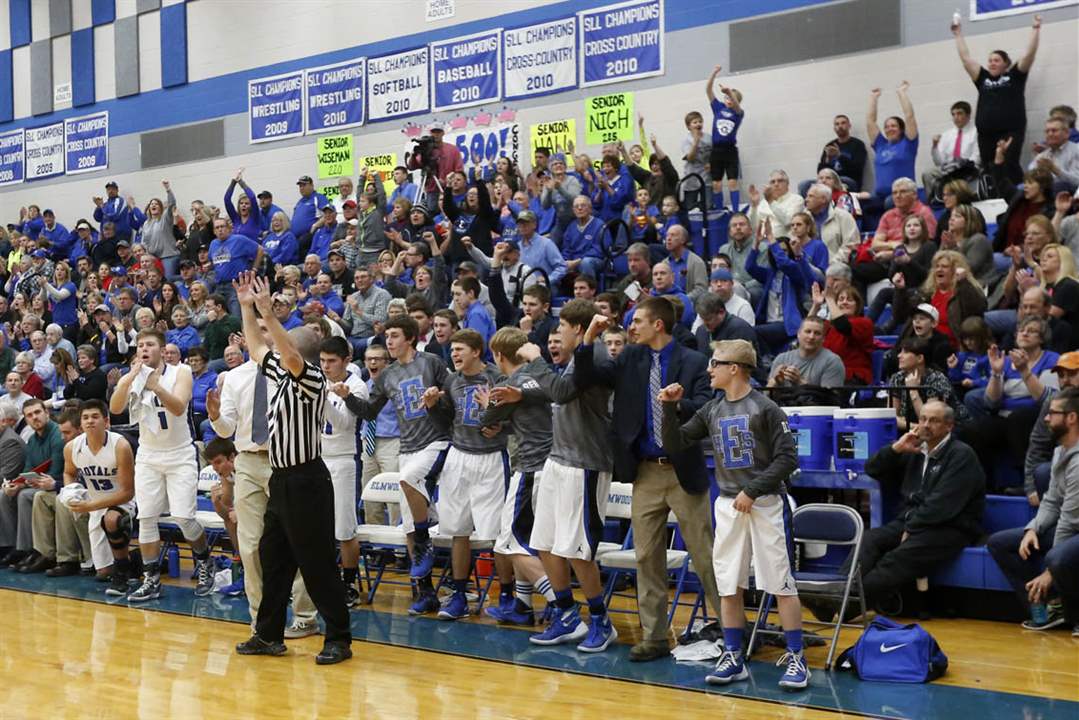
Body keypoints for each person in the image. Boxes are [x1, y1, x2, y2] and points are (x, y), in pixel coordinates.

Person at [572, 298, 723, 661]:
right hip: (644, 471)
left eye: (637, 321)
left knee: (704, 555)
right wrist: (586, 343)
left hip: (683, 467)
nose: (630, 327)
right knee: (646, 557)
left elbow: (706, 404)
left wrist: (676, 403)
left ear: (658, 324)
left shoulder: (694, 361)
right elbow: (586, 378)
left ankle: (731, 630)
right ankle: (655, 636)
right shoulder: (628, 359)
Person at [659, 339, 807, 689]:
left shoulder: (766, 408)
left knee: (781, 584)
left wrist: (752, 490)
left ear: (734, 368)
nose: (709, 369)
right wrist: (668, 407)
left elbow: (788, 459)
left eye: (716, 363)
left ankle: (797, 657)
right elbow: (675, 444)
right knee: (728, 585)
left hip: (766, 503)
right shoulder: (712, 409)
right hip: (727, 504)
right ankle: (734, 654)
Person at [231, 272, 352, 665]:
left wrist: (268, 310)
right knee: (273, 559)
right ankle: (267, 635)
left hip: (307, 480)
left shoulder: (311, 377)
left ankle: (339, 638)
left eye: (277, 340)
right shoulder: (278, 373)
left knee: (316, 564)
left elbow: (290, 355)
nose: (269, 342)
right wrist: (247, 307)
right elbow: (253, 347)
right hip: (280, 479)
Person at [492, 300, 615, 652]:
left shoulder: (597, 357)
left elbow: (562, 390)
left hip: (585, 462)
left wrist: (535, 358)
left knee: (577, 551)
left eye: (561, 327)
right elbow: (555, 390)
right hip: (558, 460)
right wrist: (522, 391)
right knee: (544, 543)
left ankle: (601, 622)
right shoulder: (576, 359)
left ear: (578, 329)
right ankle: (566, 615)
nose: (556, 334)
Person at [832, 400, 984, 616]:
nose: (925, 425)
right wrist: (895, 449)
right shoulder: (913, 449)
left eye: (933, 420)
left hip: (951, 527)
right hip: (914, 520)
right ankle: (835, 594)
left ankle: (844, 606)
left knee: (895, 559)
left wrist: (911, 528)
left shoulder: (961, 455)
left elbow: (942, 504)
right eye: (922, 419)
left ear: (949, 426)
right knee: (870, 539)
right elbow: (872, 469)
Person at [348, 316, 450, 614]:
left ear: (409, 338)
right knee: (406, 523)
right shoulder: (387, 375)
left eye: (394, 336)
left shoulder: (431, 363)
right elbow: (369, 411)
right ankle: (425, 591)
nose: (389, 341)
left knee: (408, 478)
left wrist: (437, 400)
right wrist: (347, 398)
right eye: (387, 336)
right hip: (407, 447)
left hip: (436, 441)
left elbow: (452, 397)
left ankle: (424, 533)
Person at [109, 328, 213, 601]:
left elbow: (178, 407)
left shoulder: (181, 372)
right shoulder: (133, 376)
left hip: (179, 454)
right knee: (146, 518)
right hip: (148, 455)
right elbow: (116, 408)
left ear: (162, 349)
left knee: (184, 518)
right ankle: (151, 580)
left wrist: (155, 384)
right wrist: (130, 377)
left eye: (150, 344)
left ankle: (204, 561)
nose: (144, 348)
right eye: (141, 344)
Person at [425, 329, 510, 620]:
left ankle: (509, 595)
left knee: (497, 535)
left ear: (476, 351)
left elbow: (517, 419)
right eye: (452, 350)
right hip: (459, 456)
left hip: (491, 459)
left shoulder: (497, 378)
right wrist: (433, 407)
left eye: (460, 349)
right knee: (457, 530)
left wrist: (502, 426)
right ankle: (459, 594)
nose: (454, 355)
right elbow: (444, 421)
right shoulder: (452, 381)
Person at [479, 327, 561, 625]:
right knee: (530, 541)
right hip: (547, 465)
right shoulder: (539, 377)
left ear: (499, 355)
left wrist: (489, 403)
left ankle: (560, 603)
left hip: (531, 467)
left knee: (508, 543)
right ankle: (523, 604)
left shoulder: (513, 381)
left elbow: (486, 421)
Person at [988, 386, 1079, 633]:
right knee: (1000, 543)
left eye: (1053, 413)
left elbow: (1070, 520)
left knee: (1057, 557)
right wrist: (1032, 529)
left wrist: (1050, 573)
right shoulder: (1062, 450)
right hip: (1071, 527)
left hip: (1075, 527)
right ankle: (1049, 608)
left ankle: (1074, 611)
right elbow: (1050, 501)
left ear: (1071, 418)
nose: (1046, 418)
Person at [953, 13, 1042, 184]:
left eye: (996, 60)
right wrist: (958, 34)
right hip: (986, 134)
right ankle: (994, 202)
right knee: (990, 167)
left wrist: (1035, 29)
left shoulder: (1015, 76)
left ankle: (1016, 197)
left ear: (1006, 64)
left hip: (1010, 132)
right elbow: (965, 58)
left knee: (1008, 164)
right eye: (990, 61)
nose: (992, 63)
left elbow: (1029, 55)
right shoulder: (983, 78)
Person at [62, 400, 138, 597]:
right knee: (103, 572)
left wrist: (90, 505)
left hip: (123, 501)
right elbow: (69, 472)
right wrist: (72, 492)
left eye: (95, 417)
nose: (90, 421)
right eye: (85, 418)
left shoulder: (120, 445)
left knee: (112, 519)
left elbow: (127, 492)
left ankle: (122, 575)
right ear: (80, 424)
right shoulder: (72, 447)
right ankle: (135, 563)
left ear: (106, 421)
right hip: (95, 503)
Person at [318, 336, 368, 608]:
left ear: (346, 360)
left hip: (342, 459)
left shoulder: (357, 386)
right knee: (317, 526)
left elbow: (343, 424)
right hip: (317, 458)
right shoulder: (318, 379)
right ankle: (324, 580)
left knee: (345, 527)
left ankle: (349, 583)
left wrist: (324, 400)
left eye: (331, 361)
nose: (326, 366)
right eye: (322, 361)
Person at [0, 400, 61, 571]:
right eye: (29, 415)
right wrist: (17, 485)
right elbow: (27, 471)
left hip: (57, 486)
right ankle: (16, 547)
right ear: (25, 420)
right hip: (38, 484)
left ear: (46, 413)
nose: (34, 417)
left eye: (37, 412)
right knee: (8, 493)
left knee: (25, 496)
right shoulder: (33, 440)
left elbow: (56, 472)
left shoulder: (57, 435)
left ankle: (31, 549)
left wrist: (25, 484)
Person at [1022, 352, 1079, 508]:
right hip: (1064, 462)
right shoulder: (1054, 402)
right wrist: (1030, 487)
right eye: (1061, 375)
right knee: (1043, 471)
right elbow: (1038, 444)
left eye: (1072, 374)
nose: (1065, 380)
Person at [357, 343, 400, 526]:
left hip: (391, 441)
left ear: (387, 362)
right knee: (369, 495)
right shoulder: (363, 387)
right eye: (369, 359)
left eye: (377, 359)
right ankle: (375, 547)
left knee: (393, 495)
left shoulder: (395, 386)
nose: (372, 362)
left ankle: (399, 540)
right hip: (368, 441)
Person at [889, 337, 966, 433]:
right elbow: (891, 417)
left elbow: (932, 419)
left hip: (951, 429)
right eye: (900, 352)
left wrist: (913, 391)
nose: (899, 356)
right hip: (915, 428)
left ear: (920, 358)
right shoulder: (897, 378)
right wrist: (915, 427)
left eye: (905, 352)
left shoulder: (936, 379)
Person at [810, 283, 874, 385]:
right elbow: (808, 328)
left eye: (849, 300)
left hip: (852, 377)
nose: (844, 302)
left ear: (857, 305)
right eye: (841, 299)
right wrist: (816, 305)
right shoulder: (829, 326)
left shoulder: (864, 323)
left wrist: (830, 300)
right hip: (826, 375)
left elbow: (843, 326)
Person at [704, 65, 744, 210]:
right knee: (716, 183)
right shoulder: (718, 108)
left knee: (732, 182)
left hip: (730, 151)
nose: (728, 99)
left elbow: (738, 106)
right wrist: (714, 73)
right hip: (717, 151)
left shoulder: (738, 114)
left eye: (731, 98)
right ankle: (720, 209)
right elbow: (708, 90)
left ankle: (735, 210)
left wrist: (730, 92)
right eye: (726, 97)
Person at [923, 101, 981, 199]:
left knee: (958, 171)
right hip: (949, 168)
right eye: (953, 114)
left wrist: (960, 166)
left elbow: (976, 158)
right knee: (927, 174)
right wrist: (935, 147)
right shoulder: (947, 135)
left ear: (968, 115)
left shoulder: (976, 133)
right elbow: (939, 162)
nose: (956, 117)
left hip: (968, 167)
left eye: (959, 113)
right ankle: (934, 202)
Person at [767, 317, 846, 388]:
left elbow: (830, 400)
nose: (811, 337)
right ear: (798, 334)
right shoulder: (782, 358)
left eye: (817, 333)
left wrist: (799, 381)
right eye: (808, 332)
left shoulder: (832, 361)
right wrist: (775, 381)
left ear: (823, 338)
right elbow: (766, 397)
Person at [210, 217, 263, 317]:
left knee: (237, 317)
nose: (220, 229)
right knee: (217, 317)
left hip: (236, 285)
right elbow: (213, 261)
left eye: (222, 226)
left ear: (229, 228)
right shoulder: (213, 244)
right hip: (219, 285)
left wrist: (254, 269)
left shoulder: (239, 239)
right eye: (217, 227)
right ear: (214, 231)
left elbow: (260, 249)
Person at [815, 114, 867, 192]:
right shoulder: (830, 145)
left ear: (849, 126)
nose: (840, 126)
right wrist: (828, 159)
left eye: (843, 123)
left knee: (842, 180)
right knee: (804, 185)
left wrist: (839, 156)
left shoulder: (858, 144)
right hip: (829, 181)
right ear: (834, 128)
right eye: (837, 124)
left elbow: (857, 170)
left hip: (849, 181)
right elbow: (820, 172)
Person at [748, 171, 805, 240]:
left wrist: (771, 202)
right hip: (762, 243)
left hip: (783, 242)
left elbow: (788, 221)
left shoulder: (796, 199)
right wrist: (754, 206)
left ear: (787, 183)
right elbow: (753, 227)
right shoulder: (763, 202)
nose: (776, 184)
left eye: (780, 181)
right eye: (773, 182)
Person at [290, 175, 329, 257]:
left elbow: (327, 214)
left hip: (310, 236)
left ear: (311, 185)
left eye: (304, 185)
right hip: (296, 237)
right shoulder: (300, 202)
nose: (301, 188)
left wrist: (315, 226)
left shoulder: (318, 198)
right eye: (300, 186)